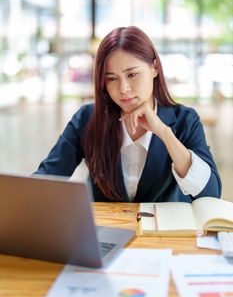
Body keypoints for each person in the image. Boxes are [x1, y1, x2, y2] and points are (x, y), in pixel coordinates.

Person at [35, 26, 221, 202]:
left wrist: (164, 132)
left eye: (132, 75)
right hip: (106, 232)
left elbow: (210, 194)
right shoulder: (87, 119)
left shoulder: (185, 120)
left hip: (164, 235)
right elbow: (46, 179)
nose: (123, 89)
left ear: (154, 68)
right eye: (112, 78)